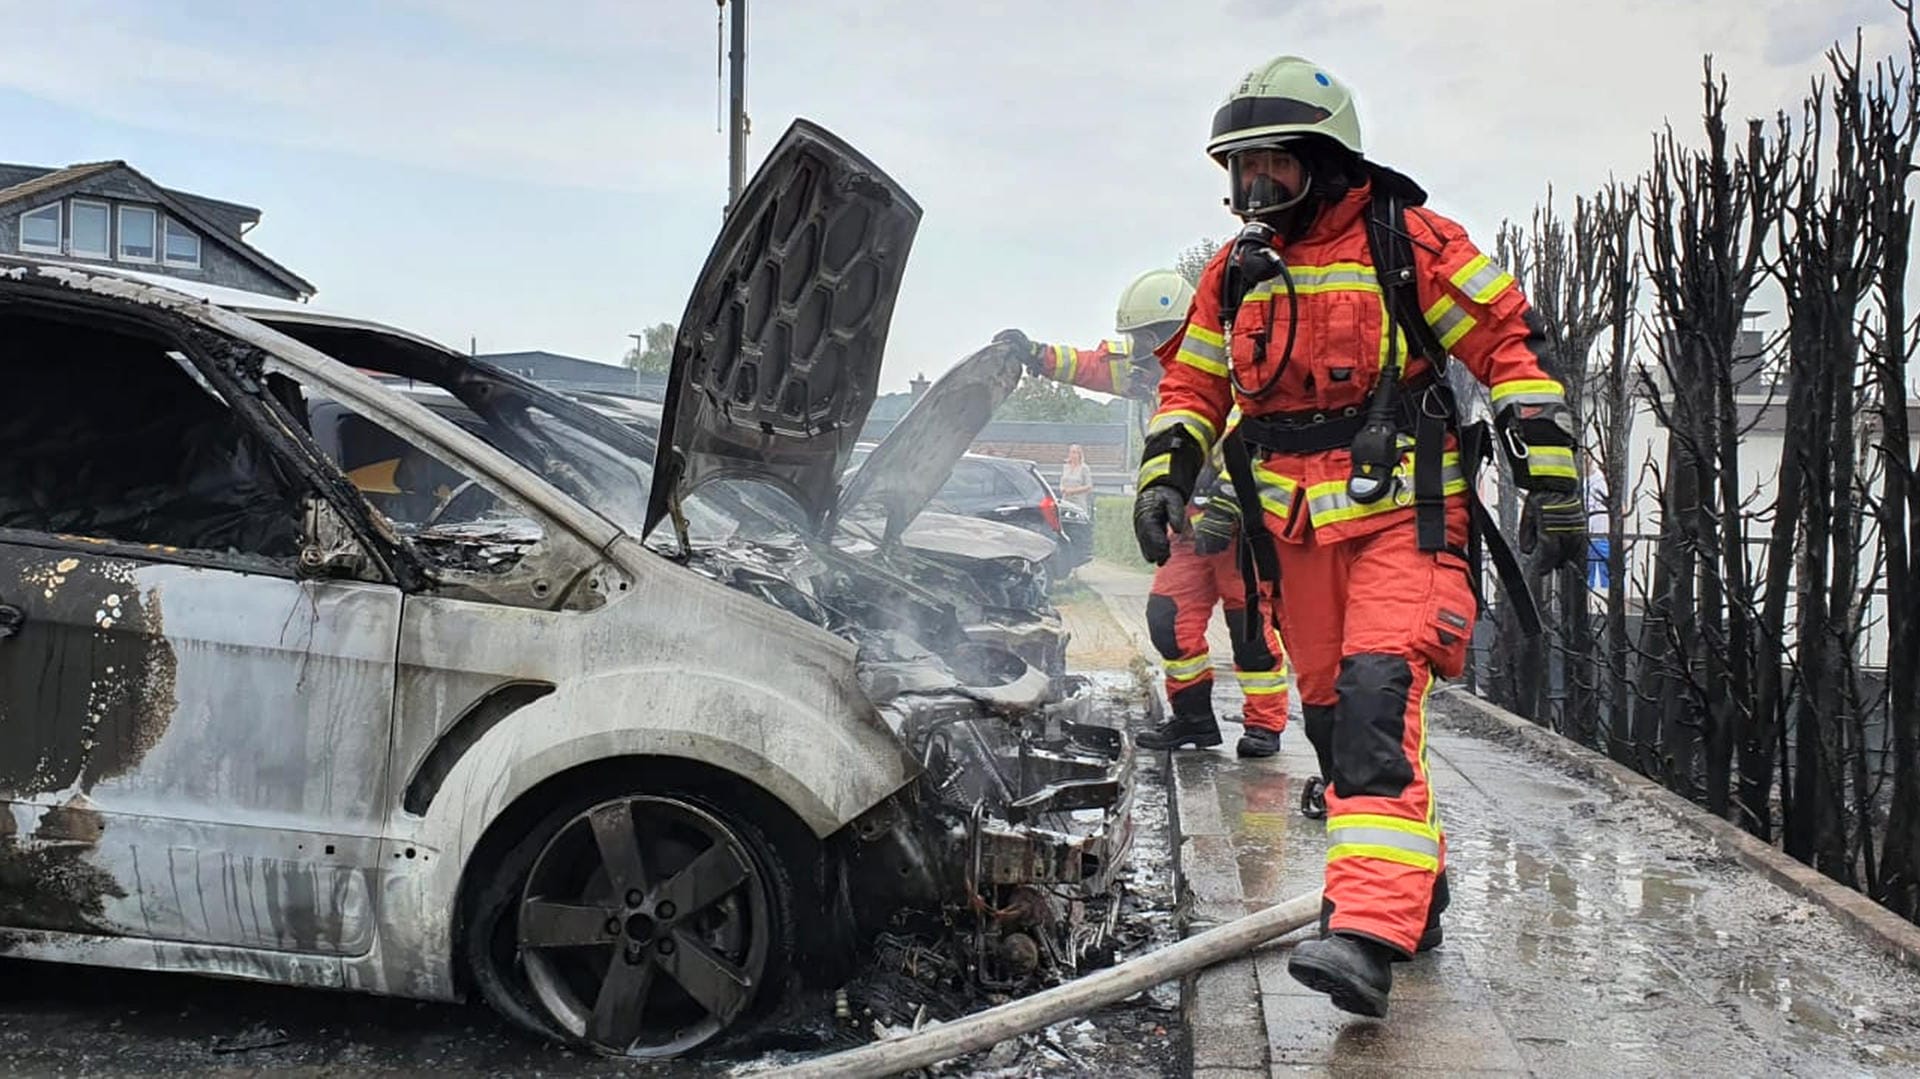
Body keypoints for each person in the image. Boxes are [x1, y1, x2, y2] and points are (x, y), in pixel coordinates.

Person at [1131, 56, 1587, 1017]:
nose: (1255, 195)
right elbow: (1193, 387)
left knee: (1380, 700)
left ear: (1328, 161)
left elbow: (1511, 341)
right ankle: (1415, 893)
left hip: (1407, 517)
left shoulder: (1408, 240)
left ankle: (1365, 936)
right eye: (1240, 174)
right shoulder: (1234, 273)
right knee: (1340, 732)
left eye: (1274, 172)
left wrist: (1552, 478)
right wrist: (1163, 477)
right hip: (1291, 535)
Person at [1001, 274, 1293, 758]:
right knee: (1167, 619)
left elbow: (1259, 440)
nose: (1137, 349)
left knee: (1250, 630)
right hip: (1184, 522)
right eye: (1135, 339)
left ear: (1176, 329)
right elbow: (1092, 366)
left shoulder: (1230, 367)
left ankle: (1266, 725)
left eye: (1146, 338)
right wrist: (1035, 353)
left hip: (1235, 524)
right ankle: (1194, 720)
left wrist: (1228, 501)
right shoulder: (1148, 373)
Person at [1059, 444, 1095, 515]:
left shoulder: (1084, 468)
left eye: (1075, 452)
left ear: (1079, 455)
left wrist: (1073, 490)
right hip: (1066, 501)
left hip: (1078, 502)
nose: (1073, 455)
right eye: (1071, 452)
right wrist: (1062, 489)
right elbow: (1062, 482)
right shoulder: (1065, 467)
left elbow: (1089, 486)